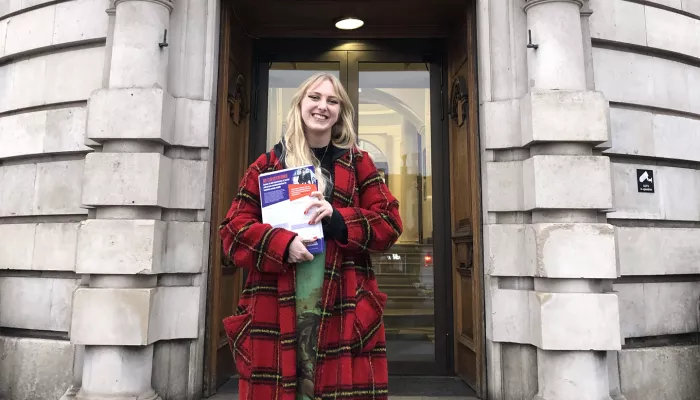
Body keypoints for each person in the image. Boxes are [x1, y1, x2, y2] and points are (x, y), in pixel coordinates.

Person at [219, 73, 403, 400]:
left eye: (332, 101)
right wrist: (281, 244)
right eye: (314, 98)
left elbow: (389, 223)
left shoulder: (359, 163)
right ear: (300, 105)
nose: (322, 106)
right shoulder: (268, 165)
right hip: (275, 307)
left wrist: (338, 220)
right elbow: (233, 231)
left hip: (345, 306)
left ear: (340, 112)